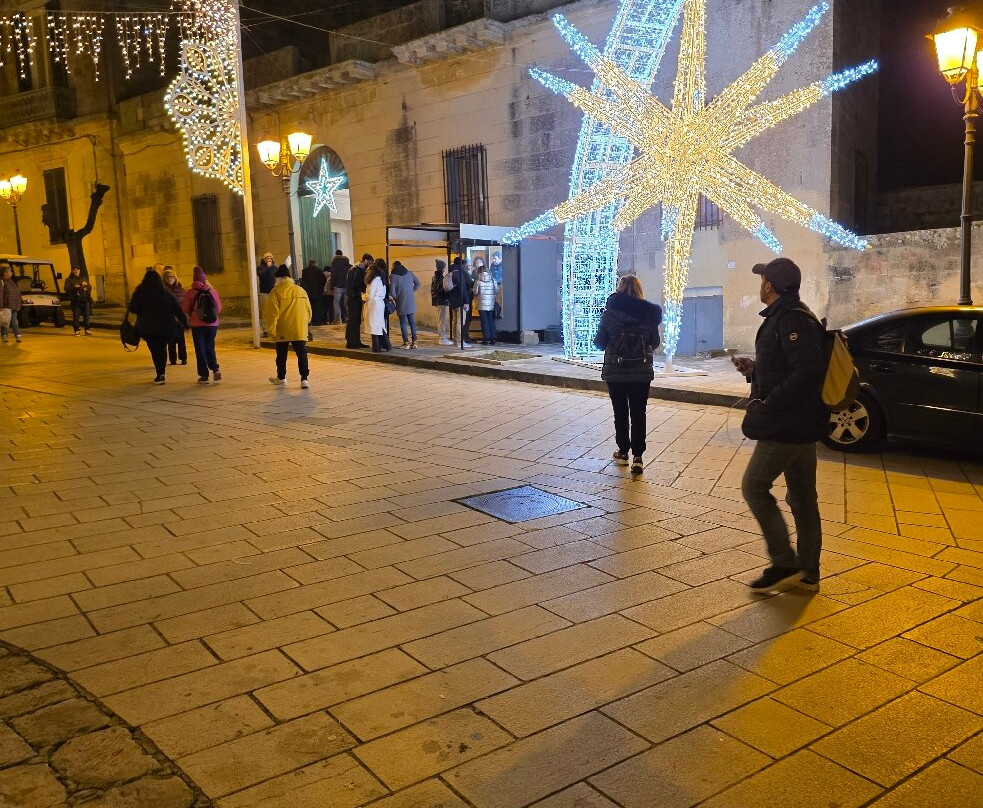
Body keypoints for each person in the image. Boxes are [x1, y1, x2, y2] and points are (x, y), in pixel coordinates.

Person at [734, 257, 827, 594]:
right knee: (803, 498)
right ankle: (808, 573)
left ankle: (784, 562)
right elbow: (789, 366)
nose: (760, 284)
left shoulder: (790, 319)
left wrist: (770, 403)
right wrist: (755, 370)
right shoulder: (788, 315)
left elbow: (808, 371)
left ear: (770, 286)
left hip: (787, 424)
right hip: (802, 424)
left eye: (763, 280)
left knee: (753, 486)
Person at [593, 274, 662, 475]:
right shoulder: (649, 315)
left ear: (620, 289)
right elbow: (655, 343)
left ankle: (623, 452)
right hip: (641, 372)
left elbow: (599, 343)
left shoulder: (610, 314)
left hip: (616, 372)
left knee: (620, 412)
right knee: (639, 414)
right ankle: (638, 457)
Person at [128, 268, 188, 384]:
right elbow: (176, 309)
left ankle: (159, 372)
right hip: (165, 327)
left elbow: (133, 309)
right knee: (162, 348)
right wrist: (185, 322)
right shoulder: (165, 294)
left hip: (147, 328)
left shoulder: (139, 293)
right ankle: (162, 372)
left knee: (154, 350)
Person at [265, 264, 313, 388]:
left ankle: (281, 377)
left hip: (283, 327)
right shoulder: (300, 290)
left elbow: (272, 313)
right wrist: (304, 323)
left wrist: (271, 329)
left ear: (278, 278)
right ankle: (304, 379)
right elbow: (308, 310)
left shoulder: (275, 292)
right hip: (299, 327)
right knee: (301, 353)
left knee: (281, 354)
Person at [182, 266, 222, 384]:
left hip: (197, 325)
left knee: (200, 349)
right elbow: (218, 309)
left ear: (194, 279)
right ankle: (215, 369)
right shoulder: (212, 291)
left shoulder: (190, 292)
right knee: (210, 347)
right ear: (205, 279)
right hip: (212, 325)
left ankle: (204, 376)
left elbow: (185, 308)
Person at [389, 260, 421, 348]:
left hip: (400, 302)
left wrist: (396, 299)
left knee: (403, 323)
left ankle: (406, 342)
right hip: (410, 301)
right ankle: (414, 342)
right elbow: (418, 283)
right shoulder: (409, 273)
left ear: (394, 267)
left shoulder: (393, 277)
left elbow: (392, 292)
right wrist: (411, 292)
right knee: (412, 322)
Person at [362, 259, 391, 352]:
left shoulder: (375, 280)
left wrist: (363, 296)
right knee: (379, 325)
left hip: (373, 305)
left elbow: (369, 295)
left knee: (374, 326)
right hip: (378, 304)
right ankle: (386, 345)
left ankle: (377, 347)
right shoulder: (381, 279)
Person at [161, 266, 187, 365]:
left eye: (172, 277)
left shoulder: (181, 289)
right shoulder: (162, 291)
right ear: (164, 279)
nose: (170, 278)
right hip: (168, 320)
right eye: (167, 277)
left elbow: (185, 304)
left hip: (179, 320)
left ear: (175, 278)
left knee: (181, 340)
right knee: (171, 341)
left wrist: (185, 318)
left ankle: (183, 358)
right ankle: (173, 359)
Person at [345, 253, 371, 348]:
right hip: (353, 300)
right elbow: (351, 286)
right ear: (366, 261)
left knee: (356, 321)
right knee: (353, 320)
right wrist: (356, 296)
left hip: (356, 299)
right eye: (370, 262)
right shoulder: (355, 270)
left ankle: (356, 341)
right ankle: (351, 342)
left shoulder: (359, 270)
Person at [446, 257, 473, 348]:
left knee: (454, 321)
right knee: (460, 322)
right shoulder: (459, 274)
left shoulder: (451, 272)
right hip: (460, 300)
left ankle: (455, 340)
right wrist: (466, 301)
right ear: (461, 264)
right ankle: (459, 341)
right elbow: (462, 289)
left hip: (452, 301)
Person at [473, 264, 498, 345]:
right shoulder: (492, 279)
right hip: (491, 304)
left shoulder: (478, 280)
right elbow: (496, 290)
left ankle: (485, 339)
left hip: (481, 305)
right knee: (491, 321)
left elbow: (475, 292)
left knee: (484, 322)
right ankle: (493, 339)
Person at [64, 266, 92, 336]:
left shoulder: (84, 278)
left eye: (78, 269)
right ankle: (77, 329)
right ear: (72, 271)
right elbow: (66, 288)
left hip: (85, 299)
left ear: (79, 270)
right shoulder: (69, 280)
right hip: (76, 300)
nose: (76, 271)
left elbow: (90, 287)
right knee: (76, 315)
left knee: (86, 315)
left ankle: (87, 329)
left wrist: (87, 286)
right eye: (75, 270)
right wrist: (74, 287)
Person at [431, 259, 452, 345]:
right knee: (442, 320)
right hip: (441, 301)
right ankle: (442, 338)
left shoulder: (436, 276)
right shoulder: (439, 277)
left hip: (440, 300)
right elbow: (439, 289)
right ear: (442, 267)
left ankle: (442, 337)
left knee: (442, 319)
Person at [0, 266, 22, 344]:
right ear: (5, 273)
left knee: (14, 321)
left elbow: (17, 292)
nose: (11, 272)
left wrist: (19, 302)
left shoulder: (11, 281)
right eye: (10, 271)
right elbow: (1, 294)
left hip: (14, 305)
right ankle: (4, 335)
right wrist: (1, 306)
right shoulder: (2, 282)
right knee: (6, 321)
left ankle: (17, 335)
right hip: (6, 305)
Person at [301, 259, 327, 326]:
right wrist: (321, 286)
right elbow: (324, 280)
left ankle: (309, 322)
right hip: (318, 292)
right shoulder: (319, 271)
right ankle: (317, 322)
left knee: (308, 307)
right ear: (315, 264)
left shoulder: (305, 271)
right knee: (317, 308)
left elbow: (302, 281)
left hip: (308, 293)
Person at [257, 252, 276, 337]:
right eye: (267, 258)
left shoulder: (274, 268)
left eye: (270, 258)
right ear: (264, 260)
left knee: (274, 311)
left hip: (273, 292)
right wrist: (268, 268)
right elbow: (262, 275)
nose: (269, 260)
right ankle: (265, 329)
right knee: (265, 311)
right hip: (264, 292)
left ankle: (273, 328)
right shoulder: (261, 268)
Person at [329, 250, 350, 325]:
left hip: (338, 285)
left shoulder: (335, 262)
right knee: (346, 302)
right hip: (347, 285)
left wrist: (332, 286)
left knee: (336, 302)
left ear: (336, 254)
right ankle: (349, 318)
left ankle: (338, 319)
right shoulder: (347, 262)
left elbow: (334, 274)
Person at [490, 251, 504, 319]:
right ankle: (496, 314)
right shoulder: (492, 265)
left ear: (500, 258)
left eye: (495, 258)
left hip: (501, 285)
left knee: (500, 301)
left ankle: (500, 314)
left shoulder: (504, 265)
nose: (493, 260)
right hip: (493, 286)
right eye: (493, 258)